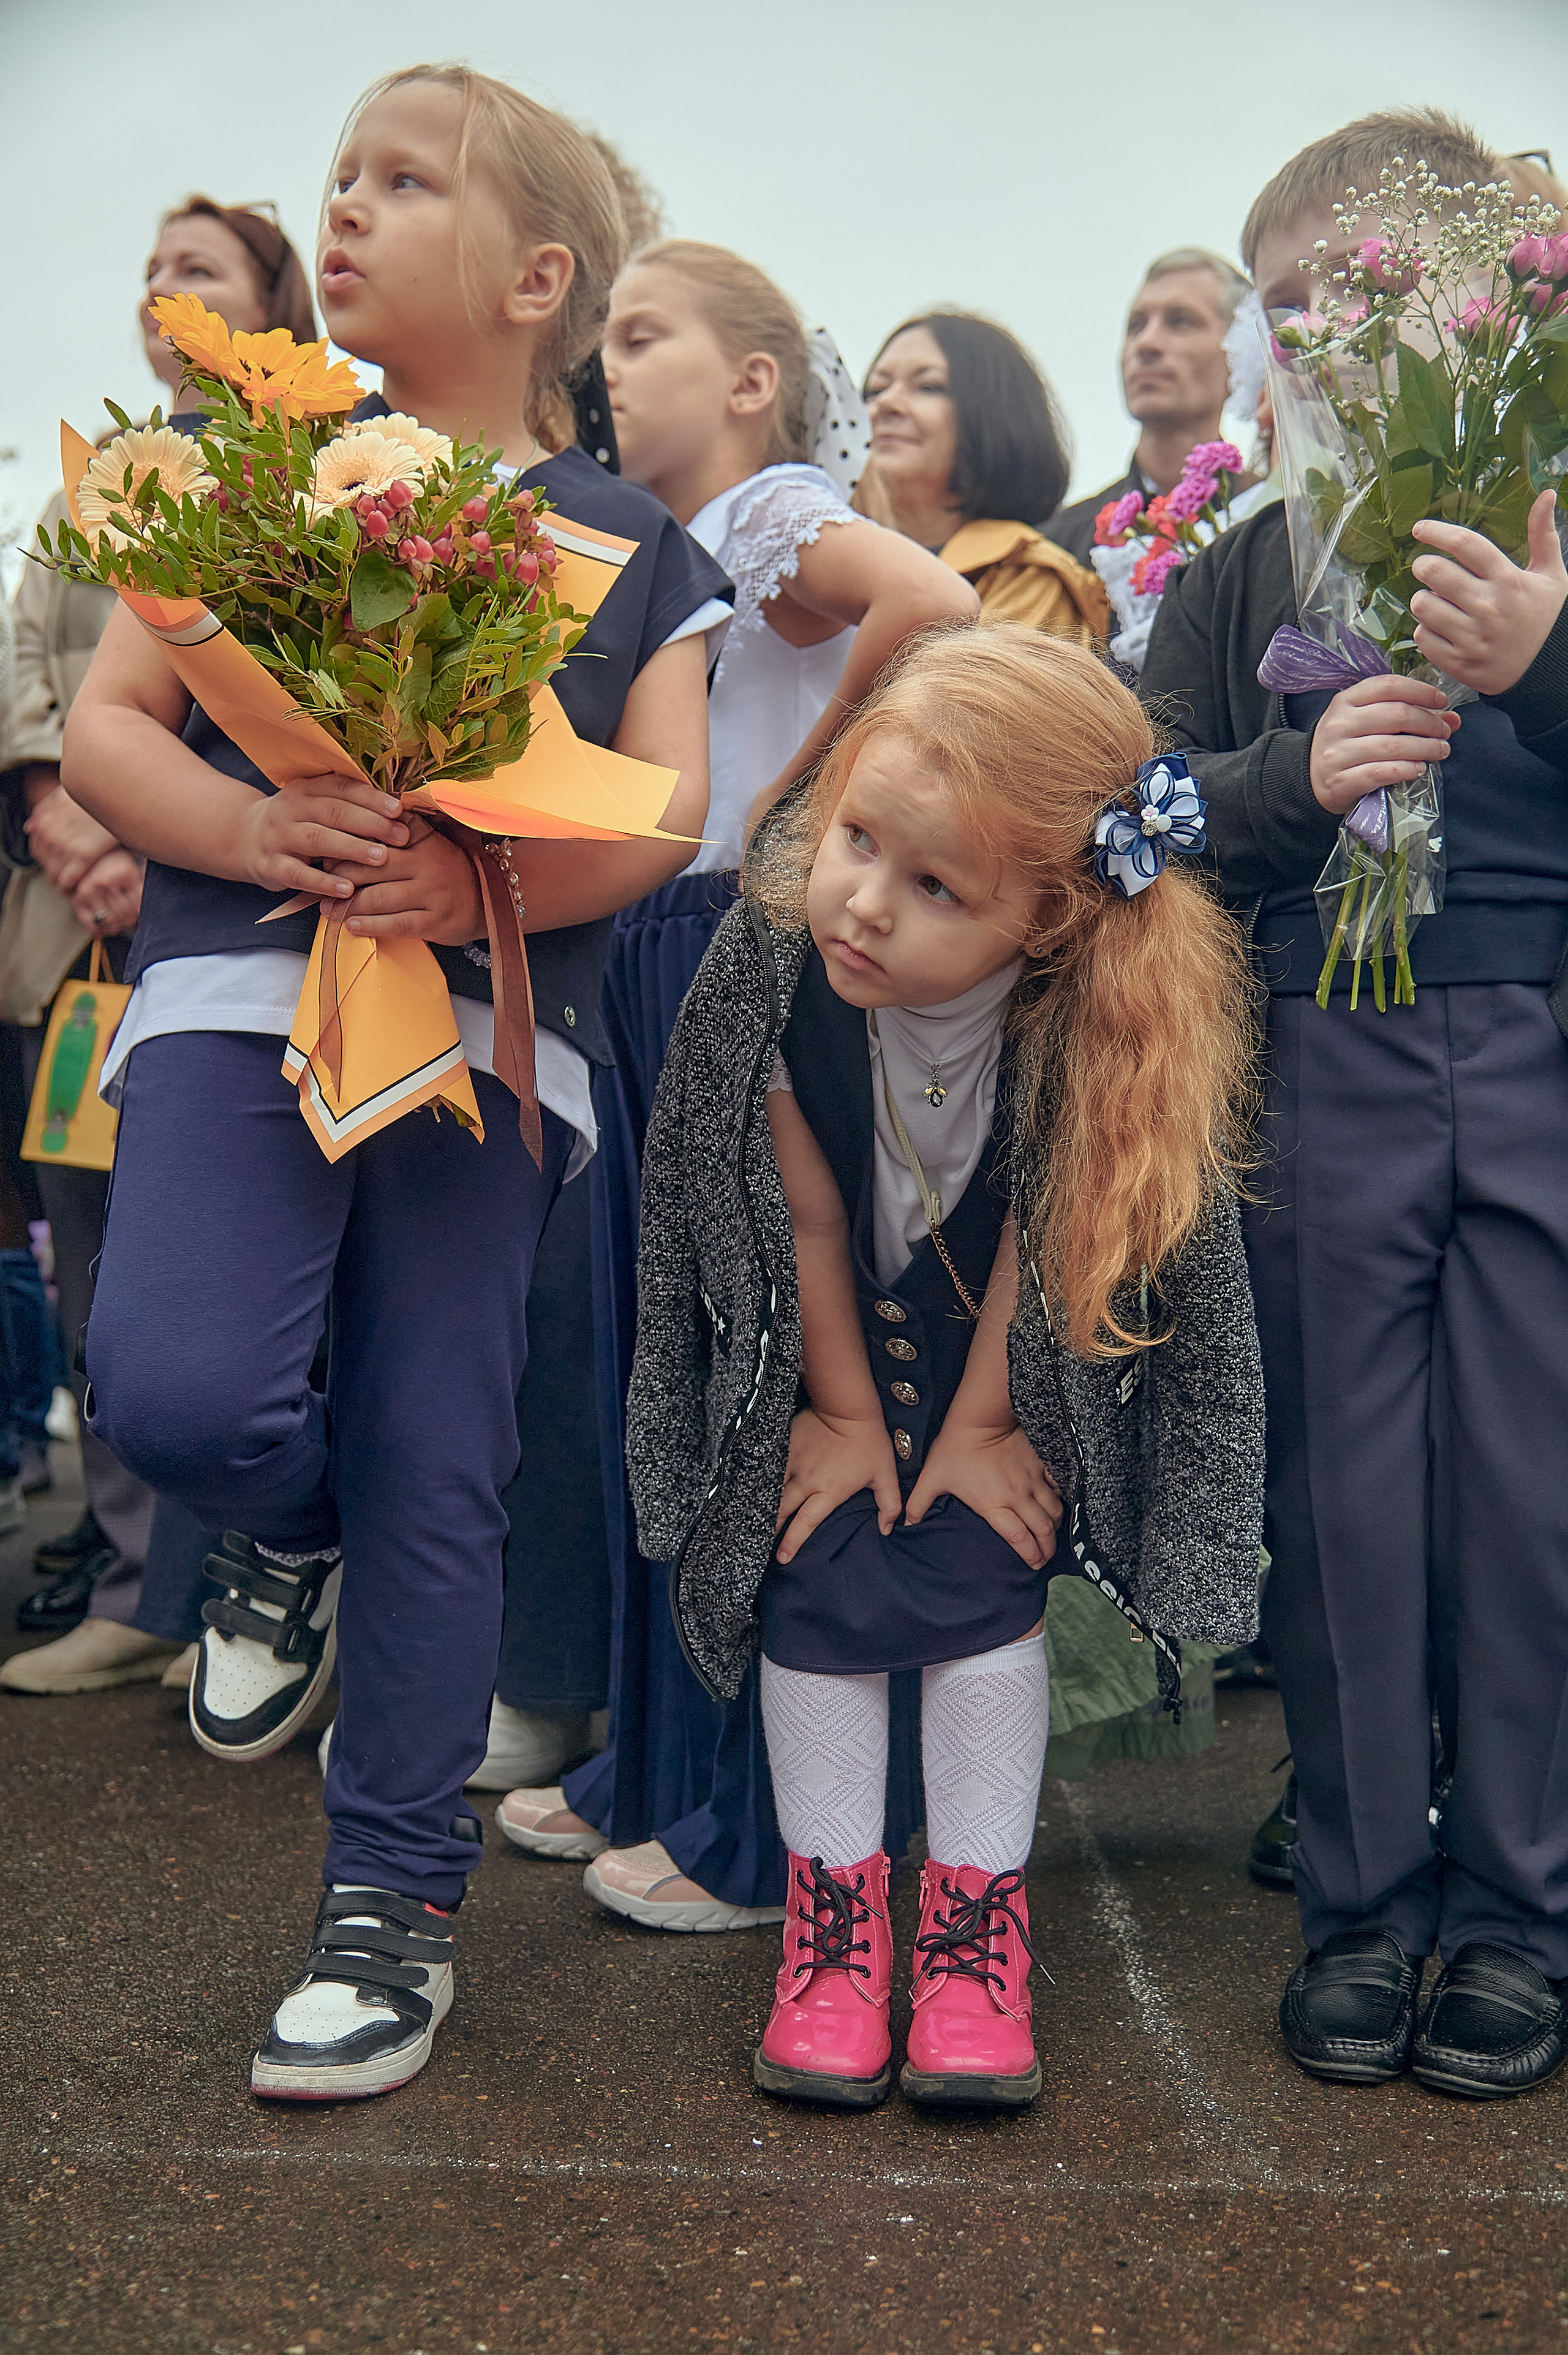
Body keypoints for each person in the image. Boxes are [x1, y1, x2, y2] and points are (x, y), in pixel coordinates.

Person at [61, 62, 729, 2103]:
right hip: (237, 988)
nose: (343, 208)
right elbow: (112, 726)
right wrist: (259, 827)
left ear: (540, 281)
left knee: (443, 1448)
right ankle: (283, 1523)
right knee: (175, 1384)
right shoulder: (238, 472)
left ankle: (391, 1901)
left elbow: (669, 809)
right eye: (341, 175)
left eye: (406, 183)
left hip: (488, 1033)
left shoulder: (637, 544)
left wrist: (481, 877)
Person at [625, 622, 1264, 2107]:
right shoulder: (770, 963)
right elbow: (781, 1204)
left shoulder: (1095, 1011)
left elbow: (1063, 1222)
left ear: (1046, 916)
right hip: (826, 1330)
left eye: (934, 889)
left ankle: (975, 1934)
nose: (862, 902)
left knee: (982, 1577)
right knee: (816, 1560)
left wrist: (980, 1428)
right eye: (856, 839)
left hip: (1003, 1351)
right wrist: (841, 1412)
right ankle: (830, 1932)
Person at [1141, 107, 1568, 2100]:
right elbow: (1128, 813)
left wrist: (1546, 665)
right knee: (1344, 1503)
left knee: (1529, 1501)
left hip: (1540, 1036)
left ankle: (1519, 1915)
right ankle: (1362, 1905)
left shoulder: (1546, 527)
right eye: (1281, 307)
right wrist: (1277, 788)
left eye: (1352, 292)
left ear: (1492, 301)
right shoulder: (1241, 564)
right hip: (1323, 1052)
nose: (1311, 338)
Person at [497, 240, 978, 1929]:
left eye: (644, 335)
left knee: (743, 1355)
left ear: (755, 382)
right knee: (669, 1362)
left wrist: (802, 795)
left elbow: (937, 606)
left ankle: (774, 1823)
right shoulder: (662, 547)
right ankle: (664, 1756)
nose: (608, 367)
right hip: (655, 940)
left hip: (731, 935)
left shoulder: (768, 508)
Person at [0, 195, 318, 1696]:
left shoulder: (307, 468)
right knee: (98, 1267)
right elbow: (26, 662)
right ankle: (140, 1589)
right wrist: (63, 818)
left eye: (198, 269)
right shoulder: (98, 483)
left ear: (273, 302)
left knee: (229, 1275)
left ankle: (265, 1574)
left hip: (230, 920)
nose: (161, 291)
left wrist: (157, 833)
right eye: (148, 271)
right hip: (69, 924)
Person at [857, 313, 1107, 643]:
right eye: (875, 390)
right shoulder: (820, 563)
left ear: (994, 413)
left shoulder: (1028, 577)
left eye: (928, 387)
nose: (885, 404)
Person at [1047, 249, 1251, 569]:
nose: (1146, 343)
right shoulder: (1057, 551)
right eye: (1136, 326)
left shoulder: (1280, 518)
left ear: (1241, 353)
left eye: (1181, 321)